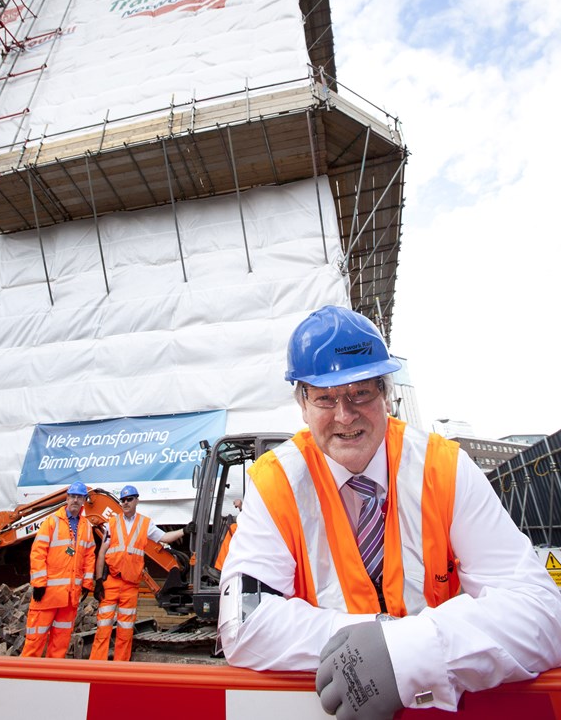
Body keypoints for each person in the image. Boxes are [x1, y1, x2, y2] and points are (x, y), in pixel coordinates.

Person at [218, 305, 561, 718]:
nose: (345, 415)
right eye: (325, 398)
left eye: (360, 392)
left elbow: (542, 611)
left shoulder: (445, 468)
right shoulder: (274, 483)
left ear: (386, 393)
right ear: (302, 405)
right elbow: (245, 624)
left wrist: (408, 654)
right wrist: (374, 643)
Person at [89, 484, 186, 661]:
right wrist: (98, 581)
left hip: (130, 586)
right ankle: (97, 666)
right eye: (123, 500)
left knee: (125, 632)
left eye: (129, 499)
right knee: (103, 628)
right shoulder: (112, 523)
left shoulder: (145, 524)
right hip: (111, 582)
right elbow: (102, 552)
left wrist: (184, 530)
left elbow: (164, 538)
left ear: (136, 500)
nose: (125, 503)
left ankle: (121, 669)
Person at [21, 480, 95, 658]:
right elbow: (38, 552)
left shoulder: (86, 527)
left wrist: (86, 583)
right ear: (67, 499)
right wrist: (38, 584)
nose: (75, 500)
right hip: (48, 594)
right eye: (72, 496)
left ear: (84, 500)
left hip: (70, 597)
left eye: (79, 497)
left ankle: (52, 679)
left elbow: (89, 556)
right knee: (35, 640)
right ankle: (24, 677)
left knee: (61, 643)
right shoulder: (52, 522)